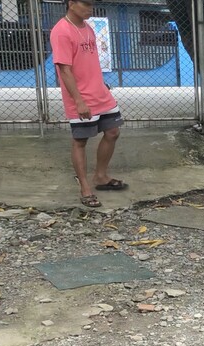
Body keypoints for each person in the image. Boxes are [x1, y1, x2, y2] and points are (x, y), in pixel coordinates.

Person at [50, 0, 127, 208]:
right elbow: (64, 70)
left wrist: (100, 83)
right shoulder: (62, 31)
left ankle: (101, 177)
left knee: (112, 132)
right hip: (80, 96)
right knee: (81, 140)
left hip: (100, 92)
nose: (90, 8)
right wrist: (78, 101)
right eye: (86, 4)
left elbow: (89, 61)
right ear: (71, 3)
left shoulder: (88, 27)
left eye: (92, 4)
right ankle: (85, 188)